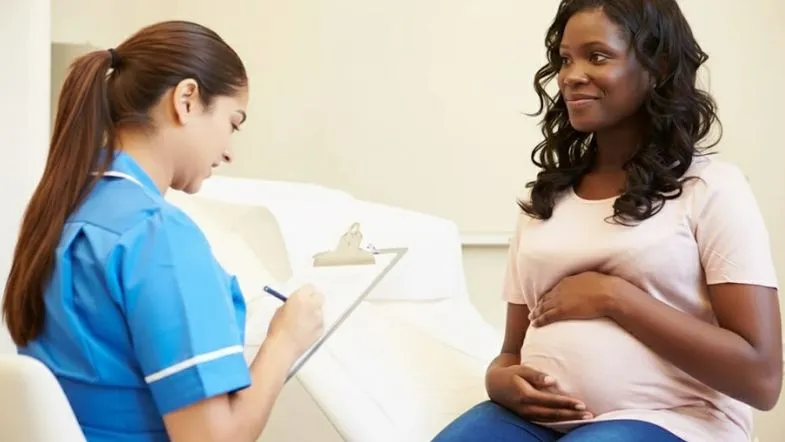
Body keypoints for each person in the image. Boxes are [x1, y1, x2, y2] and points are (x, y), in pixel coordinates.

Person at [432, 1, 782, 441]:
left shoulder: (711, 189)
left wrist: (614, 297)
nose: (571, 75)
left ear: (658, 65)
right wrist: (498, 380)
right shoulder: (542, 200)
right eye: (564, 59)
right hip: (533, 422)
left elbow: (761, 378)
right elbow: (511, 353)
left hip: (673, 417)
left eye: (597, 56)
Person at [1, 20, 324, 442]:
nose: (229, 151)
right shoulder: (158, 237)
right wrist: (285, 339)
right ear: (187, 99)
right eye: (233, 122)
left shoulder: (66, 211)